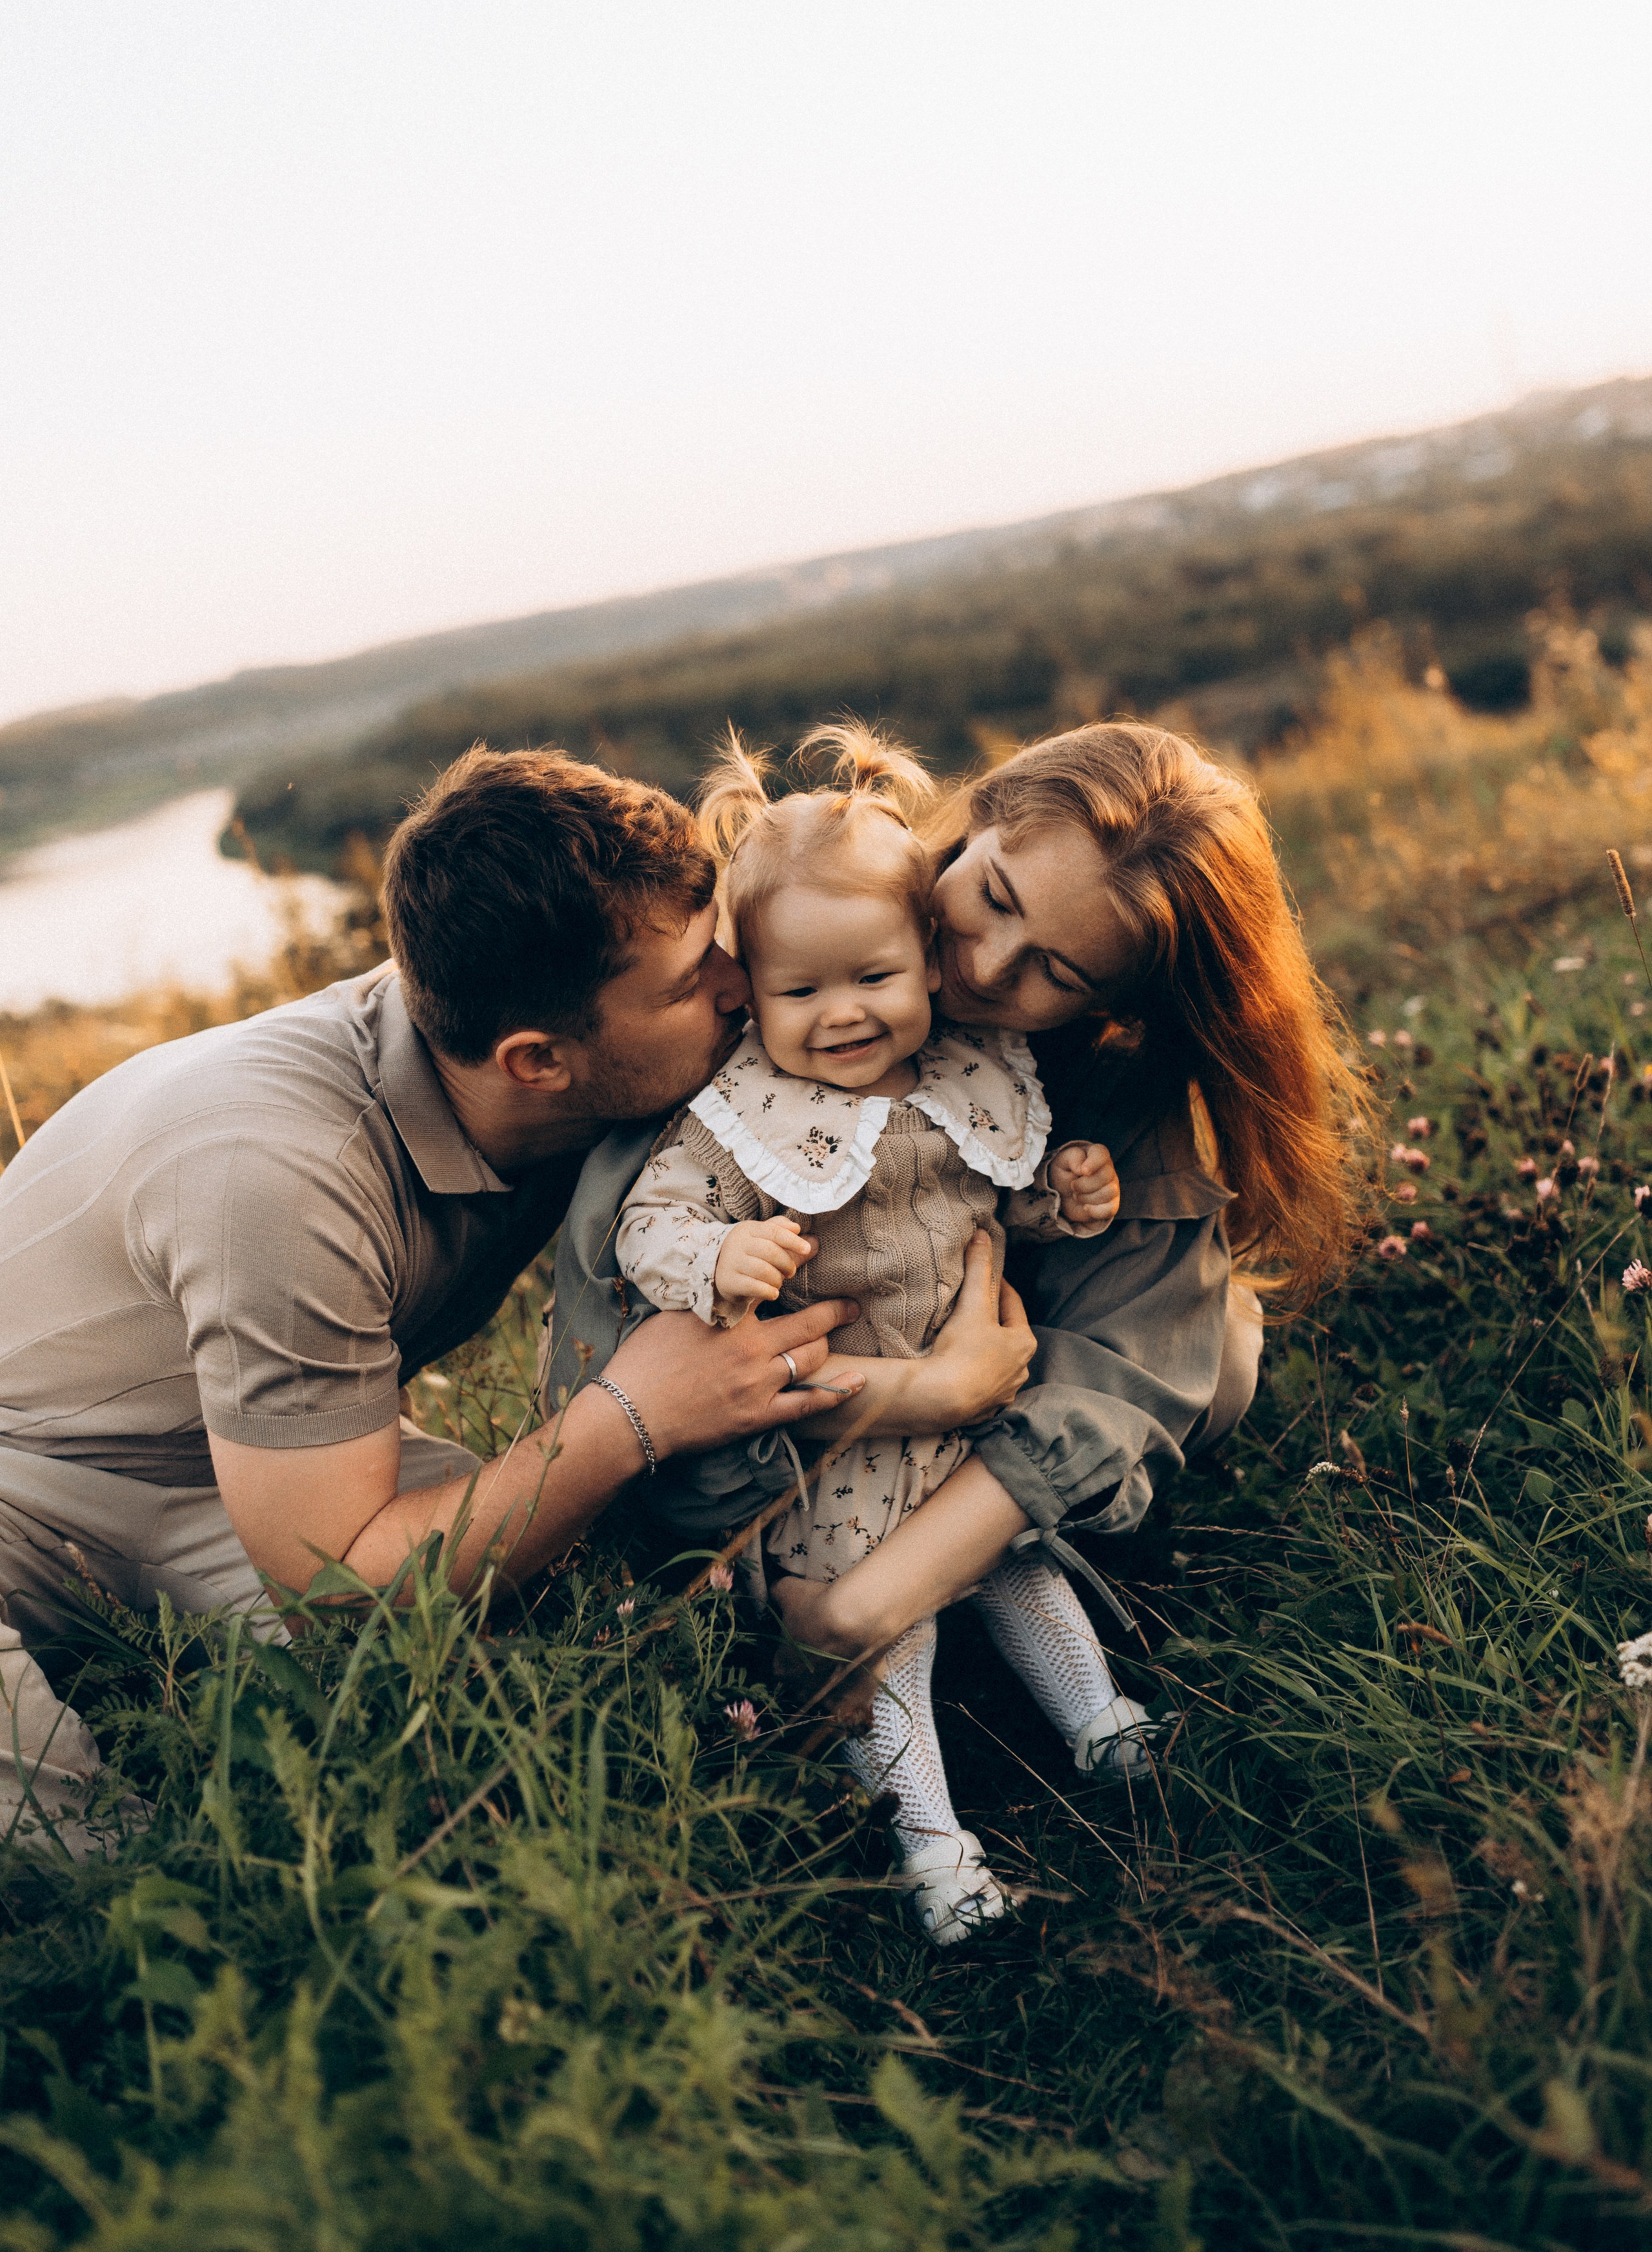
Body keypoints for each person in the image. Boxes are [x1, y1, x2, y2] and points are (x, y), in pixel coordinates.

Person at [0, 744, 912, 1860]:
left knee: (596, 1651)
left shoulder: (588, 1049)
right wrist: (633, 1416)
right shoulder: (279, 1171)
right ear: (537, 1062)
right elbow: (336, 1582)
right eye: (689, 984)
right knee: (81, 1854)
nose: (739, 984)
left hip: (245, 1459)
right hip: (24, 1475)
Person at [549, 719, 1369, 1918]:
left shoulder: (1076, 1073)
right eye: (988, 895)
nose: (982, 967)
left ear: (1118, 1001)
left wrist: (859, 1613)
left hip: (948, 1438)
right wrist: (921, 1393)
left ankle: (1035, 1675)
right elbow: (630, 1329)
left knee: (1213, 1344)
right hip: (758, 1445)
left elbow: (1130, 1360)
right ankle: (927, 1822)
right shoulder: (802, 963)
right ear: (976, 817)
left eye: (1057, 972)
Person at [611, 725, 1125, 1943]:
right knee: (886, 1648)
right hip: (840, 1449)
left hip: (966, 1433)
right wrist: (717, 1255)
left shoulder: (968, 1071)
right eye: (800, 991)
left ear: (927, 964)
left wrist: (1066, 1195)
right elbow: (650, 1224)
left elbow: (1006, 1203)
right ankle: (934, 1847)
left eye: (873, 979)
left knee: (1023, 1572)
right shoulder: (741, 1112)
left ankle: (1107, 1731)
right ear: (750, 985)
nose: (841, 1015)